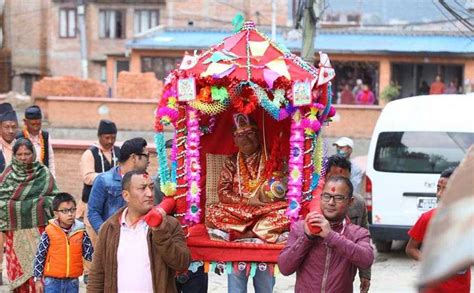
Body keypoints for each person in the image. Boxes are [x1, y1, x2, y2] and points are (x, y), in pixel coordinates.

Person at [206, 114, 289, 293]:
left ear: (258, 134)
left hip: (266, 210)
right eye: (240, 134)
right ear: (235, 140)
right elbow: (223, 192)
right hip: (240, 212)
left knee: (286, 213)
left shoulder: (271, 157)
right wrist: (246, 201)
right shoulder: (231, 162)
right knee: (213, 212)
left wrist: (270, 192)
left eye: (250, 133)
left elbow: (281, 188)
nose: (246, 138)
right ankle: (260, 233)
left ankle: (248, 233)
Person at [87, 170, 191, 292]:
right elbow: (97, 275)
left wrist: (161, 233)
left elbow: (182, 263)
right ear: (126, 195)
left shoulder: (170, 224)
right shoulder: (109, 228)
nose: (149, 194)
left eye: (151, 188)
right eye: (142, 188)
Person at [278, 176, 374, 292]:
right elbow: (284, 268)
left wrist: (331, 236)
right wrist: (307, 237)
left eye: (338, 198)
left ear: (350, 202)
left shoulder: (358, 233)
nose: (331, 202)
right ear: (320, 198)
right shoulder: (301, 228)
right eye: (327, 196)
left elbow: (367, 259)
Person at [0, 138, 58, 292]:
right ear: (14, 155)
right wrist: (35, 204)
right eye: (19, 154)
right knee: (19, 277)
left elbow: (54, 200)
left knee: (40, 275)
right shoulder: (7, 175)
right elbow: (1, 203)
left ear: (33, 153)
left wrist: (18, 206)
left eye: (27, 153)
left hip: (38, 232)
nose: (23, 157)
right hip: (16, 234)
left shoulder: (42, 173)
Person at [406, 167, 471, 292]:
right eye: (438, 188)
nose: (439, 194)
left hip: (461, 288)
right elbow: (410, 249)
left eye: (445, 190)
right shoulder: (427, 218)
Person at [76, 119, 119, 282]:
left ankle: (107, 271)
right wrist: (109, 178)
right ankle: (89, 273)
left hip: (114, 205)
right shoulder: (90, 153)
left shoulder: (119, 152)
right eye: (107, 137)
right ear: (99, 136)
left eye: (113, 137)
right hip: (91, 203)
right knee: (91, 237)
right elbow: (87, 177)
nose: (110, 141)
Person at [325, 155, 371, 293]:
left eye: (344, 180)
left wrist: (365, 274)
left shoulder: (357, 203)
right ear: (326, 177)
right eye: (335, 179)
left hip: (344, 275)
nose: (339, 185)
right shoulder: (313, 203)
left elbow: (364, 241)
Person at [33, 193, 93, 293]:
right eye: (65, 211)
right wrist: (38, 279)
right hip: (52, 281)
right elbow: (40, 255)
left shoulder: (81, 231)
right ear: (56, 214)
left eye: (73, 209)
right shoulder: (49, 232)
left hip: (72, 281)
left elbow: (90, 254)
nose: (70, 214)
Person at [87, 137, 149, 234]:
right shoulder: (104, 180)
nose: (148, 161)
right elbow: (93, 212)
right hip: (114, 239)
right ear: (134, 158)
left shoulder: (146, 181)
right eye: (146, 156)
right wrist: (105, 234)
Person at [0, 102, 18, 286]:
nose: (10, 131)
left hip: (16, 203)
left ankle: (15, 273)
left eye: (14, 127)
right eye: (7, 127)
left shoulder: (21, 147)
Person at [16, 105, 56, 176]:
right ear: (25, 122)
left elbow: (50, 160)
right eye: (33, 124)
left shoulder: (45, 136)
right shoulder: (18, 138)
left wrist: (52, 179)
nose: (36, 128)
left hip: (43, 178)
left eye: (38, 124)